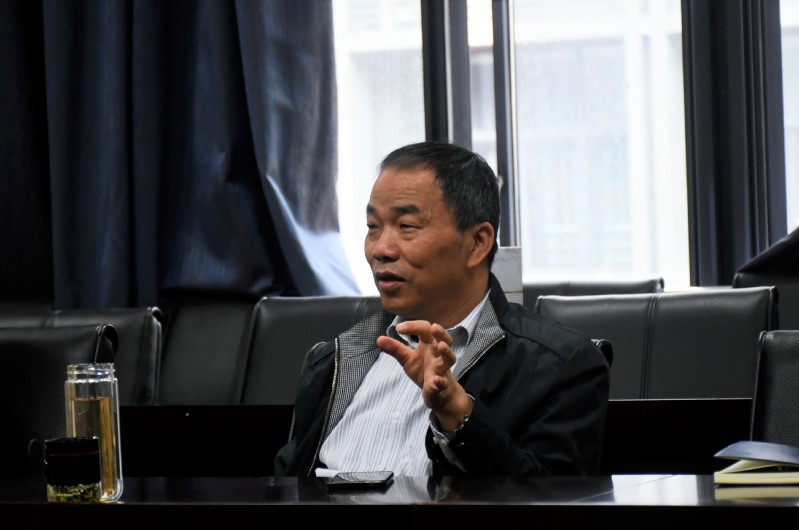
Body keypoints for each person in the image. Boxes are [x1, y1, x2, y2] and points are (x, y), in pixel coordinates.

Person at [274, 141, 609, 477]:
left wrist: (455, 410)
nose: (381, 249)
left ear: (477, 243)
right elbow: (283, 488)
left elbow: (550, 498)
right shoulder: (335, 360)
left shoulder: (561, 365)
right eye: (373, 227)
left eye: (407, 226)